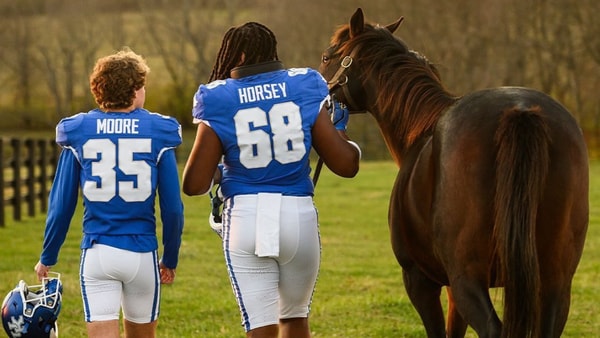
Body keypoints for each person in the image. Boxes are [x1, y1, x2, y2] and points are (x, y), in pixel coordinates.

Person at [182, 22, 361, 338]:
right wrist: (342, 131)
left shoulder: (218, 96)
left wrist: (220, 167)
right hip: (298, 217)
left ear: (237, 54)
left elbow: (194, 184)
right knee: (294, 319)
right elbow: (346, 165)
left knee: (260, 327)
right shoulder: (305, 84)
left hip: (246, 218)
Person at [34, 49, 184, 338]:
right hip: (142, 254)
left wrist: (48, 255)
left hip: (98, 252)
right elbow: (173, 209)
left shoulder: (79, 130)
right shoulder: (159, 131)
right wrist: (171, 258)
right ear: (136, 90)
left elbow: (62, 205)